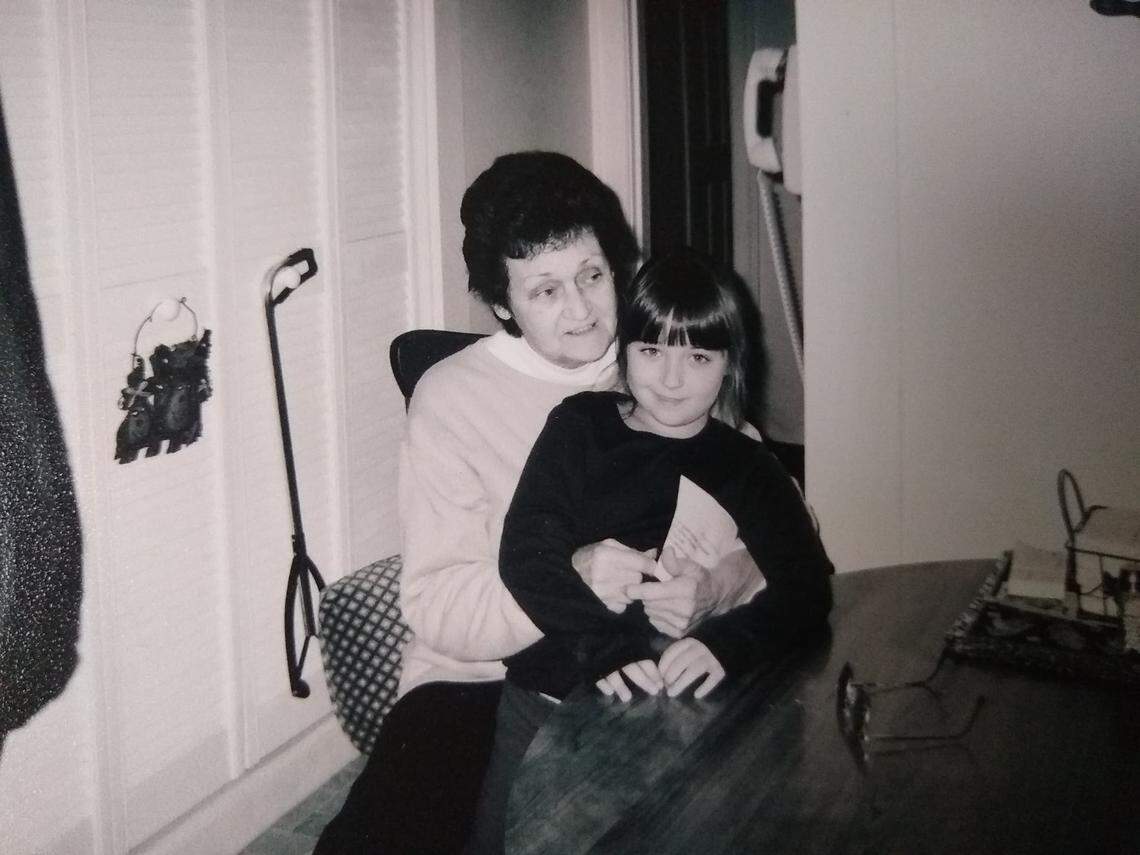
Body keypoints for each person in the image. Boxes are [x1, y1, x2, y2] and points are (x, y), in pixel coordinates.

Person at [315, 153, 764, 854]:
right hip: (479, 677)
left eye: (591, 276)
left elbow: (780, 510)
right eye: (545, 290)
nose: (583, 310)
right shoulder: (450, 399)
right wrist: (566, 578)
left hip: (642, 657)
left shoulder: (662, 358)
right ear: (503, 304)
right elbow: (436, 603)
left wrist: (719, 582)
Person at [465, 248, 834, 853]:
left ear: (728, 364)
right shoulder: (580, 425)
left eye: (697, 356)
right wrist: (603, 644)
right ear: (625, 350)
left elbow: (807, 586)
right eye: (651, 351)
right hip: (550, 692)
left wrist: (728, 640)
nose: (670, 379)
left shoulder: (747, 465)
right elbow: (526, 551)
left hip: (670, 717)